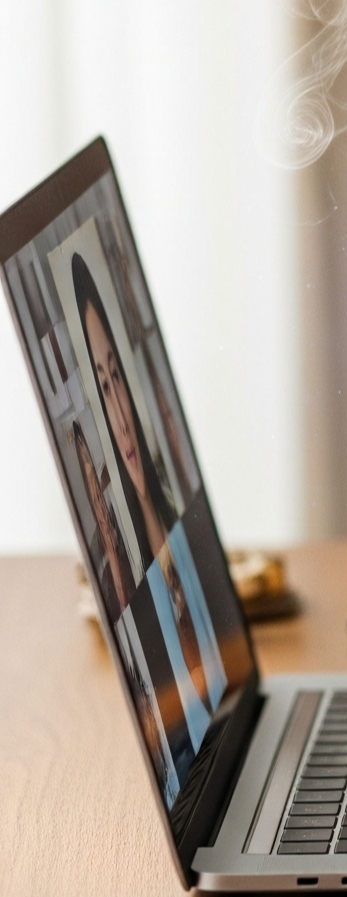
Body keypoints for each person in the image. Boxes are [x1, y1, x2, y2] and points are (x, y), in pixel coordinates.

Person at [70, 252, 177, 573]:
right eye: (104, 387)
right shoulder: (128, 571)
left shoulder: (175, 514)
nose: (121, 420)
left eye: (116, 376)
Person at [70, 422, 132, 625]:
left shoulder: (125, 526)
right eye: (94, 495)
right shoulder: (100, 563)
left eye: (99, 491)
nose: (99, 498)